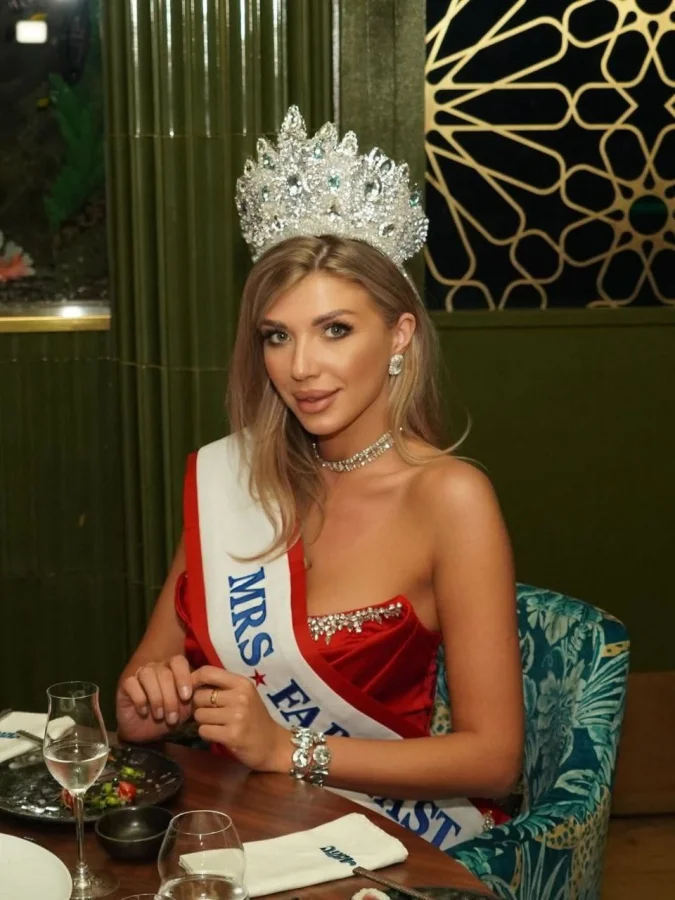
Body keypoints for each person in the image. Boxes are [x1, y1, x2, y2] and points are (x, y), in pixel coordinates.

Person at [116, 107, 523, 851]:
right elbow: (149, 672)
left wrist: (288, 748)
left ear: (399, 335)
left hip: (386, 841)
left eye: (335, 329)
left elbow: (493, 760)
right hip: (238, 825)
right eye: (278, 336)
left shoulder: (450, 498)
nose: (301, 367)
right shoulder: (235, 482)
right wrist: (146, 700)